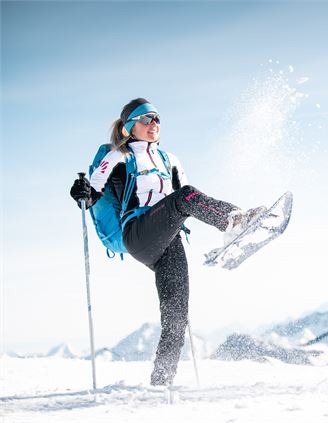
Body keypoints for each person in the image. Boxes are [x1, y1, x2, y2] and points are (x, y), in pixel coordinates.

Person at [70, 98, 263, 386]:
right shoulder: (117, 157)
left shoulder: (170, 160)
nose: (154, 124)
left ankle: (161, 381)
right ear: (128, 127)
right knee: (184, 196)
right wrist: (81, 192)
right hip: (137, 232)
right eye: (146, 119)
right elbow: (93, 193)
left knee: (177, 316)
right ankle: (235, 221)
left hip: (167, 239)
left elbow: (191, 201)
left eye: (157, 119)